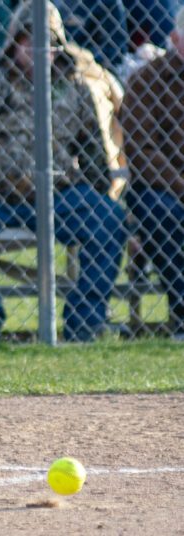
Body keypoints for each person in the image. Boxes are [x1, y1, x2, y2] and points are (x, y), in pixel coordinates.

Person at [0, 0, 128, 342]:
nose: (39, 50)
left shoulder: (75, 86)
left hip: (58, 195)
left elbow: (93, 152)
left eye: (49, 42)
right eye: (29, 40)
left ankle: (85, 324)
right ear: (15, 43)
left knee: (108, 218)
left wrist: (101, 194)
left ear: (59, 46)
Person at [121, 5, 184, 338]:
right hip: (161, 186)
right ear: (175, 39)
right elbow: (141, 150)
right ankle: (182, 312)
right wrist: (180, 185)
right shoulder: (146, 80)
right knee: (163, 212)